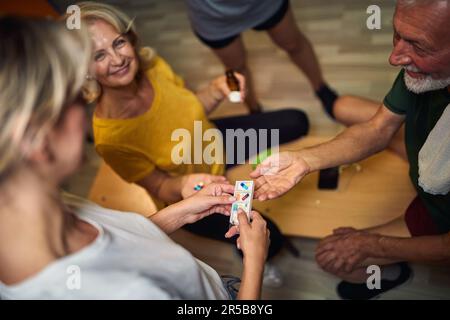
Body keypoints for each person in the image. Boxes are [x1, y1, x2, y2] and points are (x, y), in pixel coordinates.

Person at [0, 16, 270, 300]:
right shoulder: (128, 293)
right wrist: (255, 262)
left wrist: (184, 209)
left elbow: (117, 241)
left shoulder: (52, 205)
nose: (85, 118)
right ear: (35, 138)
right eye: (74, 99)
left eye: (119, 43)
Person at [77, 1, 310, 286]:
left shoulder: (153, 66)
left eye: (119, 43)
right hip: (192, 193)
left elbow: (190, 109)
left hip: (213, 141)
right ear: (84, 70)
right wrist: (184, 185)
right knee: (269, 234)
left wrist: (217, 88)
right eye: (99, 55)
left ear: (130, 39)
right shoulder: (110, 139)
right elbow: (160, 186)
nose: (117, 59)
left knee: (298, 121)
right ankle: (261, 263)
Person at [250, 0, 450, 299]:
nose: (395, 58)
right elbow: (378, 129)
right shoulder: (425, 70)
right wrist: (304, 160)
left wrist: (370, 243)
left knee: (331, 257)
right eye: (397, 35)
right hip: (429, 151)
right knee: (344, 107)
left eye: (419, 48)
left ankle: (394, 271)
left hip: (438, 213)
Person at [184, 0, 338, 115]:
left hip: (263, 3)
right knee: (236, 68)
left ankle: (322, 89)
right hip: (211, 13)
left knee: (293, 43)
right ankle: (254, 111)